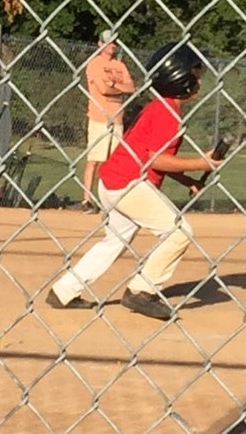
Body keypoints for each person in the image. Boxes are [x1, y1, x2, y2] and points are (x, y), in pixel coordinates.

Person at [48, 43, 219, 322]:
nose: (199, 81)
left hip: (114, 182)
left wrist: (187, 178)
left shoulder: (159, 107)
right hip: (129, 184)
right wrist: (202, 164)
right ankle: (142, 290)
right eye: (195, 74)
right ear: (180, 79)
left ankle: (64, 290)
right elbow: (156, 160)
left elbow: (154, 156)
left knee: (114, 241)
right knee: (179, 232)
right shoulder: (167, 112)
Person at [83, 30, 137, 211]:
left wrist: (114, 85)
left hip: (117, 118)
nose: (111, 45)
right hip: (99, 117)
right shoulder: (95, 64)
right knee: (94, 160)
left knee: (114, 161)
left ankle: (110, 200)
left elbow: (132, 88)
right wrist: (117, 88)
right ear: (100, 44)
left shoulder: (120, 65)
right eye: (107, 42)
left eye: (114, 42)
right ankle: (86, 199)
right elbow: (102, 89)